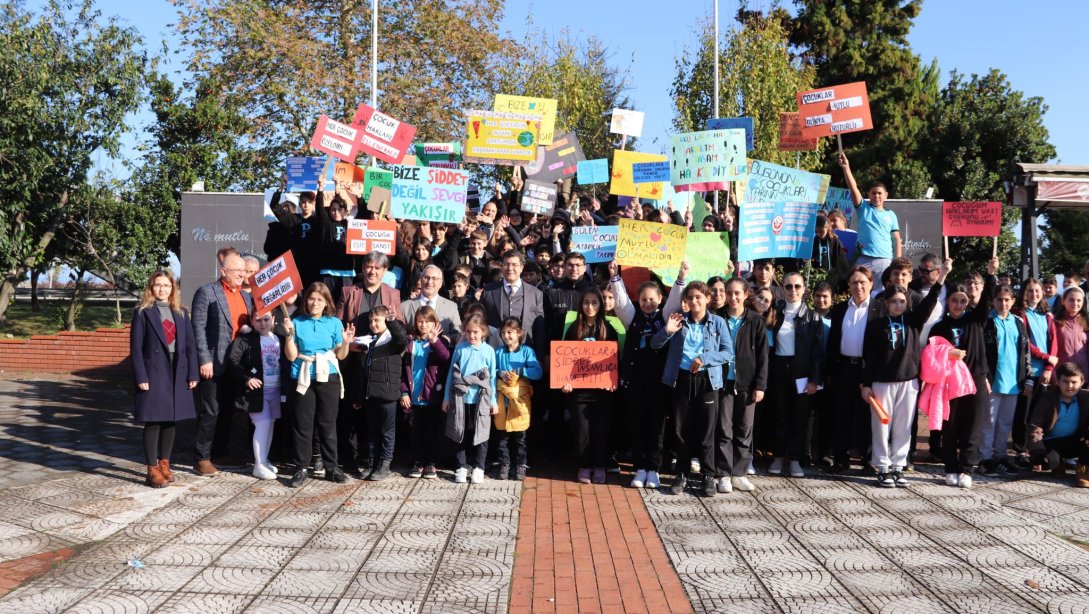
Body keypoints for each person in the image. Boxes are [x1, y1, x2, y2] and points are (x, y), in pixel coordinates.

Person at [861, 258, 949, 487]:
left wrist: (942, 278)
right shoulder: (875, 326)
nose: (898, 305)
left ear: (907, 303)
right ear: (887, 303)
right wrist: (866, 384)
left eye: (902, 301)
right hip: (881, 383)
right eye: (894, 302)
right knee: (880, 426)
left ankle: (898, 467)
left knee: (903, 425)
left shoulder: (913, 321)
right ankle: (882, 467)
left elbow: (930, 302)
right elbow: (868, 357)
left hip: (908, 382)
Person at [654, 281, 732, 497]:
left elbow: (728, 353)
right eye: (690, 297)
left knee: (707, 430)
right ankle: (682, 472)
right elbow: (655, 344)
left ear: (708, 298)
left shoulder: (717, 323)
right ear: (685, 301)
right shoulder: (679, 321)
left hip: (707, 380)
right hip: (681, 379)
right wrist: (667, 331)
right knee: (680, 429)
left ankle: (708, 474)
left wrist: (704, 358)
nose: (694, 301)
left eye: (699, 297)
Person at [929, 259, 998, 489]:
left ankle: (967, 469)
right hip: (949, 383)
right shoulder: (939, 327)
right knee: (950, 427)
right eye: (954, 301)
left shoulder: (975, 320)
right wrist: (948, 355)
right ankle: (951, 467)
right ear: (947, 302)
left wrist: (990, 276)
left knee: (972, 427)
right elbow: (931, 357)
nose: (958, 305)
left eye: (962, 301)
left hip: (975, 381)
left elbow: (987, 301)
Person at [130, 271, 199, 487]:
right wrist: (141, 375)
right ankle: (151, 469)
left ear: (173, 288)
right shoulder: (142, 312)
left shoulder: (181, 312)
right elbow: (136, 349)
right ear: (151, 288)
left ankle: (164, 464)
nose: (162, 289)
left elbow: (190, 346)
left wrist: (193, 373)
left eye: (166, 286)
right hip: (154, 372)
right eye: (158, 285)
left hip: (177, 370)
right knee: (154, 421)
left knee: (171, 420)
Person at [191, 249, 255, 476]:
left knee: (230, 411)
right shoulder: (206, 292)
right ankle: (202, 458)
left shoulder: (247, 297)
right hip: (214, 363)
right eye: (237, 270)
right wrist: (204, 359)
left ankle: (222, 453)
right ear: (224, 270)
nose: (241, 274)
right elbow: (197, 327)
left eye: (244, 270)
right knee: (210, 411)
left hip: (237, 365)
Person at [284, 282, 354, 487]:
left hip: (328, 375)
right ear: (306, 300)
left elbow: (341, 355)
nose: (315, 302)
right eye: (311, 298)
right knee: (302, 424)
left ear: (326, 303)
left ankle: (331, 467)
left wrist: (347, 341)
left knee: (327, 423)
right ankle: (301, 467)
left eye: (320, 299)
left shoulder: (334, 323)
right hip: (303, 374)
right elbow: (291, 356)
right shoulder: (296, 322)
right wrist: (289, 335)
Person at [622, 278, 681, 490]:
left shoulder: (664, 318)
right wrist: (615, 278)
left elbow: (675, 299)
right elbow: (621, 302)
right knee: (637, 424)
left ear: (660, 299)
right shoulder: (633, 318)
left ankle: (654, 469)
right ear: (637, 300)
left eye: (652, 299)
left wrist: (681, 279)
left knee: (657, 427)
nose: (647, 303)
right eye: (643, 299)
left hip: (658, 382)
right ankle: (640, 468)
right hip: (636, 381)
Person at [825, 266, 886, 474]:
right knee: (841, 414)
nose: (858, 286)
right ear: (849, 285)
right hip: (843, 368)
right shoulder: (840, 309)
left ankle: (868, 460)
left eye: (863, 282)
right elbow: (833, 341)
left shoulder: (880, 309)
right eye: (854, 282)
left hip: (866, 369)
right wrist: (830, 371)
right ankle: (841, 459)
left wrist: (871, 376)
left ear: (871, 284)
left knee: (866, 417)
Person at [765, 272, 825, 478]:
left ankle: (796, 460)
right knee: (779, 414)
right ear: (782, 288)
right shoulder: (776, 312)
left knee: (800, 417)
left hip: (802, 372)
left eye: (797, 286)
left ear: (804, 289)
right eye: (788, 286)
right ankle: (778, 456)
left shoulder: (813, 317)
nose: (793, 290)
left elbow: (818, 352)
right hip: (780, 369)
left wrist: (814, 380)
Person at [713, 277, 768, 494]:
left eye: (737, 293)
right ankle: (724, 473)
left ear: (746, 295)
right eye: (729, 293)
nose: (733, 297)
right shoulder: (718, 318)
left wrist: (760, 385)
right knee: (724, 429)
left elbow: (763, 356)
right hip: (723, 383)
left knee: (745, 429)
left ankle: (740, 472)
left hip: (747, 384)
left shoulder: (755, 321)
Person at [562, 287, 620, 485]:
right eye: (586, 302)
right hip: (578, 392)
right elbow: (564, 359)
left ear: (600, 305)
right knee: (582, 431)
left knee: (601, 430)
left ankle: (599, 465)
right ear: (581, 305)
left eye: (594, 302)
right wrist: (565, 381)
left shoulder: (607, 327)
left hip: (602, 391)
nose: (590, 306)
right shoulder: (573, 328)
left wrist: (613, 380)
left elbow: (614, 358)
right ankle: (584, 466)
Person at [225, 311, 287, 480]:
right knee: (263, 424)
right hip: (256, 392)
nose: (262, 323)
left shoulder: (279, 339)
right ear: (252, 321)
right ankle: (258, 465)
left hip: (276, 389)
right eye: (258, 319)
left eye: (266, 319)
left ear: (273, 320)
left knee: (270, 424)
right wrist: (247, 378)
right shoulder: (245, 340)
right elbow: (232, 362)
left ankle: (264, 460)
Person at [978, 285, 1032, 477]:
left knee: (1005, 423)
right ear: (993, 301)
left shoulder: (1018, 322)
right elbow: (981, 352)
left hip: (1013, 382)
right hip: (993, 381)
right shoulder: (987, 322)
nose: (1003, 303)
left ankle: (1000, 457)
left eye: (1007, 300)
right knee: (988, 422)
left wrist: (1028, 378)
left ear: (1013, 301)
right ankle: (985, 458)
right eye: (999, 299)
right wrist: (983, 376)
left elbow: (1026, 352)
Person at [351, 305, 408, 481]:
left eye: (377, 320)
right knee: (372, 431)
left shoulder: (392, 340)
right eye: (370, 321)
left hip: (388, 395)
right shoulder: (371, 341)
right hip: (371, 395)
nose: (373, 324)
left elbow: (401, 339)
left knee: (386, 432)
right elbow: (364, 372)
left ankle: (384, 464)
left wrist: (392, 322)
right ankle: (372, 462)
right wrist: (360, 396)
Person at [444, 314, 499, 484]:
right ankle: (461, 466)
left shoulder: (489, 351)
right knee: (459, 431)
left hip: (480, 399)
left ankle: (479, 467)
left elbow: (492, 378)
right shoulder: (460, 348)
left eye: (475, 332)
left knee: (481, 432)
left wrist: (493, 400)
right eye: (468, 332)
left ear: (483, 332)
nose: (472, 336)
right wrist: (447, 397)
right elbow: (450, 375)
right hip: (460, 398)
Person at [401, 306, 453, 480]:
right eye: (420, 321)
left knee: (432, 431)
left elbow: (446, 359)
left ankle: (431, 462)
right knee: (416, 432)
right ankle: (417, 461)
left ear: (435, 323)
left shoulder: (440, 341)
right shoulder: (410, 342)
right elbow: (404, 370)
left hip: (432, 397)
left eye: (428, 321)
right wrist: (404, 392)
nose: (423, 325)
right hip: (414, 396)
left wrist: (434, 341)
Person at [1012, 278, 1059, 463]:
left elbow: (1054, 344)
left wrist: (1049, 367)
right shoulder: (1019, 314)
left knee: (1040, 415)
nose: (1034, 294)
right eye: (1030, 291)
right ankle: (1021, 450)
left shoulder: (1047, 316)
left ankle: (1038, 452)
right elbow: (1025, 343)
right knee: (1023, 413)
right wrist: (1046, 357)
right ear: (1024, 293)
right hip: (1027, 372)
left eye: (1037, 291)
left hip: (1044, 374)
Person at [494, 317, 544, 481]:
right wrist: (499, 373)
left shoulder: (527, 352)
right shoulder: (498, 352)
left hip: (520, 403)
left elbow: (538, 373)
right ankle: (504, 463)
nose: (506, 336)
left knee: (520, 437)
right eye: (503, 333)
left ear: (519, 333)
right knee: (503, 436)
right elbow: (490, 369)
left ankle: (520, 464)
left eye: (510, 332)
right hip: (503, 401)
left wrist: (522, 371)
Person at [839, 153, 900, 281]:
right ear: (868, 194)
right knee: (859, 290)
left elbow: (896, 239)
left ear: (886, 195)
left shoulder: (891, 215)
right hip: (863, 259)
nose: (876, 196)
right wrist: (846, 168)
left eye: (879, 193)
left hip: (884, 261)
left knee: (883, 295)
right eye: (873, 193)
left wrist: (897, 263)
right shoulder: (863, 208)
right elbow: (853, 187)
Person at [1027, 362, 1089, 488]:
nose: (1069, 386)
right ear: (1058, 382)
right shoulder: (1047, 398)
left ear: (1082, 382)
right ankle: (1058, 464)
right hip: (1052, 442)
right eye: (1065, 381)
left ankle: (1083, 472)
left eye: (1074, 382)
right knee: (1048, 462)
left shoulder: (1086, 398)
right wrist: (1038, 449)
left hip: (1076, 440)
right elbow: (1035, 425)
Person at [481, 250, 547, 360]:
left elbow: (539, 328)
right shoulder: (488, 290)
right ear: (502, 267)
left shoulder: (536, 294)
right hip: (495, 354)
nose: (510, 268)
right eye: (506, 264)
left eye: (514, 265)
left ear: (521, 267)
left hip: (525, 354)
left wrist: (539, 357)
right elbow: (482, 321)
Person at [401, 264, 462, 337]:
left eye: (434, 278)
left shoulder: (451, 307)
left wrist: (448, 339)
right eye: (426, 277)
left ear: (440, 283)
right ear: (421, 280)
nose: (429, 282)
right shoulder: (405, 306)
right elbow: (401, 335)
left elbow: (457, 333)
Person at [1053, 286, 1089, 380]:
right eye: (1071, 300)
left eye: (1079, 300)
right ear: (1063, 301)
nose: (1075, 303)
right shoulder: (1054, 322)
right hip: (1061, 374)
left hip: (1082, 375)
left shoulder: (1086, 322)